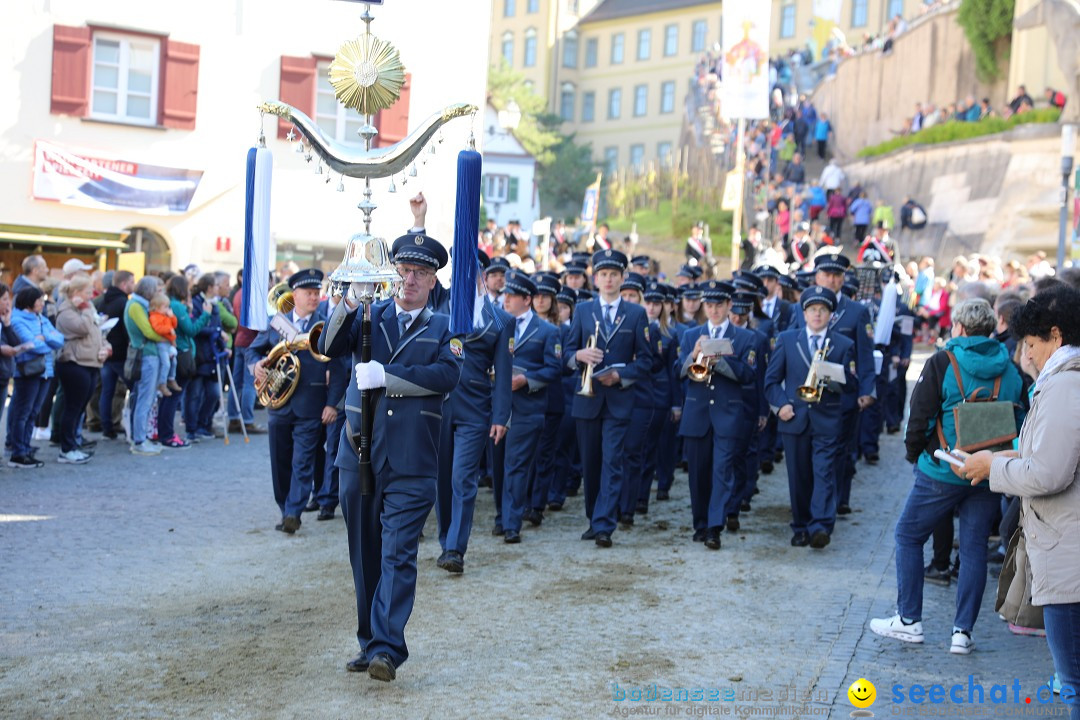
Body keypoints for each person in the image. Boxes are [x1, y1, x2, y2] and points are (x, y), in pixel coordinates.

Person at [320, 226, 461, 682]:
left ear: (434, 280)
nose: (411, 279)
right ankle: (368, 641)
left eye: (421, 272)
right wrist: (347, 297)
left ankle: (386, 648)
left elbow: (446, 375)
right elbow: (326, 346)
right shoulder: (368, 314)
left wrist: (389, 377)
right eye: (403, 270)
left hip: (412, 457)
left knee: (398, 553)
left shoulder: (445, 327)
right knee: (365, 554)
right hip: (358, 450)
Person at [871, 298, 1024, 655]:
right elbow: (1020, 419)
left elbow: (920, 414)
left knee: (908, 535)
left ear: (957, 327)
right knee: (972, 549)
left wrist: (915, 455)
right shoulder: (1011, 369)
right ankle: (962, 633)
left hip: (943, 467)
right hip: (987, 471)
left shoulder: (943, 361)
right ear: (990, 329)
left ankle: (909, 619)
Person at [960, 286, 1080, 716]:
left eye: (1031, 344)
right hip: (1066, 548)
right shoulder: (1062, 383)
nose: (1027, 354)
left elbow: (1048, 473)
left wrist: (992, 468)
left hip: (1069, 556)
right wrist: (1000, 457)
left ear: (1055, 335)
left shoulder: (1067, 386)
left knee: (1073, 682)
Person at [562, 249, 653, 548]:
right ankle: (594, 518)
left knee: (613, 461)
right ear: (595, 278)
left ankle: (604, 525)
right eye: (604, 274)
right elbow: (566, 355)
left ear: (623, 278)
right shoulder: (583, 311)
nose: (609, 279)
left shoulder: (637, 313)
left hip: (618, 399)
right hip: (587, 398)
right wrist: (579, 355)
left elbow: (647, 361)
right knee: (590, 463)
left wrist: (622, 375)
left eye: (615, 274)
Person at [252, 268, 347, 534]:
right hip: (278, 402)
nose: (315, 297)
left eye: (317, 293)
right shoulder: (277, 323)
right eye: (309, 293)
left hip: (311, 404)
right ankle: (285, 508)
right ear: (295, 294)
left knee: (303, 461)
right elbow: (253, 351)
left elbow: (338, 369)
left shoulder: (326, 325)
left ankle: (294, 512)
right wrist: (256, 366)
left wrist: (332, 404)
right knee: (280, 461)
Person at [435, 251, 512, 574]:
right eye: (460, 268)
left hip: (474, 410)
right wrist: (420, 219)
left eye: (472, 268)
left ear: (480, 273)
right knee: (440, 480)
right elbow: (421, 270)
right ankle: (444, 540)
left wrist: (500, 416)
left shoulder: (499, 319)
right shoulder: (442, 304)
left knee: (462, 478)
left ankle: (455, 548)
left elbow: (504, 373)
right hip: (438, 406)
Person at [765, 286, 856, 548]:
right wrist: (780, 405)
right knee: (799, 476)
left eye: (823, 310)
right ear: (804, 313)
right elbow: (771, 382)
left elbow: (850, 384)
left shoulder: (843, 344)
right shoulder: (786, 339)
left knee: (824, 472)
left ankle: (821, 526)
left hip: (826, 419)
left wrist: (834, 376)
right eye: (812, 310)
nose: (817, 314)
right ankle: (801, 525)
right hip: (794, 418)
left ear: (830, 315)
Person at [676, 280, 758, 549]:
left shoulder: (746, 338)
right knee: (698, 474)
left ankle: (715, 527)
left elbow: (748, 375)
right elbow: (678, 371)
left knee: (722, 472)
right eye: (709, 305)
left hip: (728, 414)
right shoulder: (691, 335)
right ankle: (700, 523)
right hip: (697, 413)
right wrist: (694, 353)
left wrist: (719, 359)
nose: (713, 310)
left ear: (729, 305)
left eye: (719, 305)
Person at [498, 271, 561, 543]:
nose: (506, 300)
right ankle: (502, 517)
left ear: (527, 299)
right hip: (498, 405)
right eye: (505, 295)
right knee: (499, 464)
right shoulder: (498, 324)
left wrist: (526, 379)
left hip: (528, 406)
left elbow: (554, 368)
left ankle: (512, 523)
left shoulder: (548, 330)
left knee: (517, 466)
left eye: (512, 296)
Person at [54, 275, 110, 464]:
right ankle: (66, 449)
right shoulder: (65, 311)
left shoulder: (88, 307)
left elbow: (97, 331)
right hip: (74, 363)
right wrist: (85, 309)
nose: (91, 295)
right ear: (77, 293)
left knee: (79, 410)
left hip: (91, 362)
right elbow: (84, 328)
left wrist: (105, 347)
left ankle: (73, 445)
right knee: (73, 407)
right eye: (87, 292)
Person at [8, 287, 64, 468]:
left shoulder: (41, 318)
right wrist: (44, 340)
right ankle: (18, 452)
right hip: (28, 372)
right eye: (40, 300)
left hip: (46, 371)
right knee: (23, 413)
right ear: (29, 301)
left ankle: (25, 447)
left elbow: (59, 340)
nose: (43, 303)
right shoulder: (17, 320)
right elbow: (30, 344)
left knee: (33, 413)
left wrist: (43, 338)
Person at [157, 276, 210, 450]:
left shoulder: (171, 304)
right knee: (173, 396)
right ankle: (167, 434)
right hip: (181, 354)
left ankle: (163, 432)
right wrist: (205, 314)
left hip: (175, 352)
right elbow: (191, 330)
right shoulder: (177, 306)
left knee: (169, 396)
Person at [123, 277, 165, 455]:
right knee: (144, 399)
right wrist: (165, 336)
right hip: (146, 355)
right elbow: (148, 331)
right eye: (157, 289)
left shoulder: (138, 305)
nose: (159, 293)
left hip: (147, 354)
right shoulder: (135, 306)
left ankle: (140, 437)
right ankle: (139, 440)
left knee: (144, 398)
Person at [98, 271, 134, 440]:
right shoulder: (123, 302)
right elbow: (127, 328)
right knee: (134, 388)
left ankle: (107, 427)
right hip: (120, 353)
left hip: (106, 350)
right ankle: (132, 426)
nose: (133, 286)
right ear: (124, 284)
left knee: (107, 391)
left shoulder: (102, 300)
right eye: (132, 282)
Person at [148, 293, 180, 398]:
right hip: (162, 343)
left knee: (173, 362)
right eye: (165, 307)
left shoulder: (165, 316)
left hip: (168, 343)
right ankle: (162, 383)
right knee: (165, 363)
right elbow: (157, 328)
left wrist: (172, 317)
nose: (167, 309)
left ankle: (171, 378)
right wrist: (169, 330)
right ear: (157, 307)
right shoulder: (154, 316)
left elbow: (174, 325)